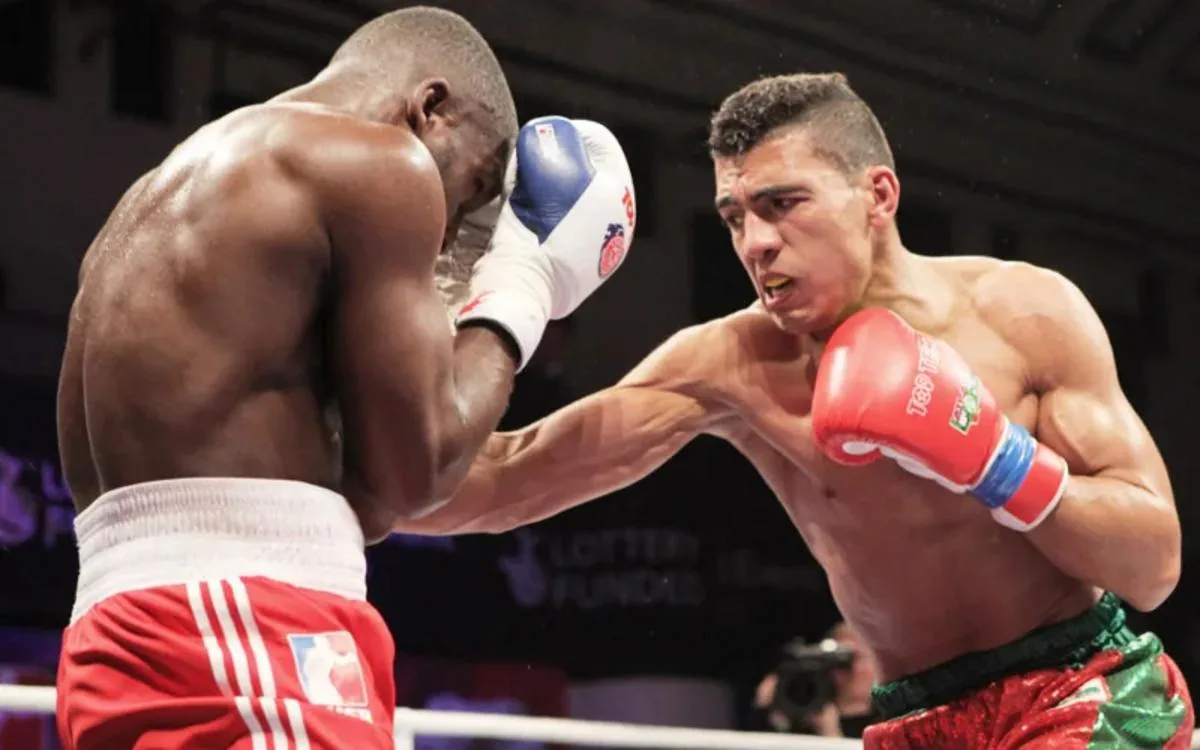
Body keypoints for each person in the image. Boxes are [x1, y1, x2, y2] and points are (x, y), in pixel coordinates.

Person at [398, 72, 1194, 747]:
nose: (755, 242)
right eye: (735, 216)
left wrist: (996, 459)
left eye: (782, 203)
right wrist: (340, 453)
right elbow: (501, 482)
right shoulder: (733, 363)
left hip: (1080, 687)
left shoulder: (1026, 313)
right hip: (914, 721)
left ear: (877, 195)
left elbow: (1153, 566)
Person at [54, 6, 635, 749]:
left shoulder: (149, 205)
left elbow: (367, 499)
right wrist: (526, 282)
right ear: (431, 109)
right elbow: (418, 472)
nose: (450, 234)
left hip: (119, 633)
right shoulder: (379, 162)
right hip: (245, 628)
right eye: (475, 185)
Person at [754, 621, 878, 738]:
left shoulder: (884, 725)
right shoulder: (801, 710)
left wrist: (830, 734)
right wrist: (769, 709)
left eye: (856, 659)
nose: (847, 671)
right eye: (838, 662)